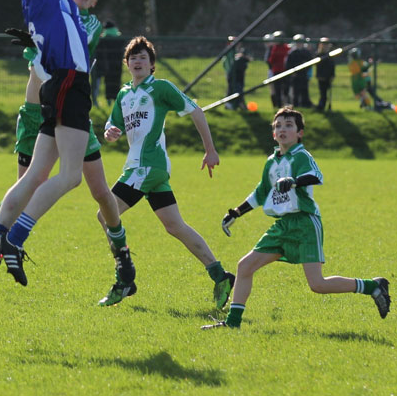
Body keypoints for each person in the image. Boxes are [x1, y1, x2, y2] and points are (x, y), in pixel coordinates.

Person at [0, 0, 135, 299]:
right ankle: (14, 239)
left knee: (40, 178)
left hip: (60, 89)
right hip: (68, 86)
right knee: (69, 177)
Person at [201, 106, 391, 330]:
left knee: (317, 284)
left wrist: (293, 181)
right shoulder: (271, 161)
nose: (283, 129)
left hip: (305, 223)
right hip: (282, 226)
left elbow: (316, 176)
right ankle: (232, 324)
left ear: (299, 133)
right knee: (245, 266)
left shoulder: (301, 155)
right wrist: (236, 212)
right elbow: (261, 192)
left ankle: (373, 286)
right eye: (278, 126)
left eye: (289, 125)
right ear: (273, 133)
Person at [99, 35, 235, 309]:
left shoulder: (160, 88)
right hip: (145, 169)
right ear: (127, 64)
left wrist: (210, 150)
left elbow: (196, 111)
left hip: (147, 165)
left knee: (105, 214)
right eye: (133, 58)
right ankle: (220, 275)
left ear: (152, 66)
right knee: (175, 226)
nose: (138, 61)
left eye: (143, 58)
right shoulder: (124, 94)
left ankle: (125, 277)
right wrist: (109, 132)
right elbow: (111, 127)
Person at [91, 20, 125, 107]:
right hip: (117, 65)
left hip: (106, 65)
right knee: (116, 82)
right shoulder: (120, 39)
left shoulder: (103, 40)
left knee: (107, 83)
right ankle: (115, 101)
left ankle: (108, 101)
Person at [285, 34, 313, 107]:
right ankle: (295, 105)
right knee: (295, 91)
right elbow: (288, 64)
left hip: (303, 74)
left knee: (304, 90)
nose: (299, 44)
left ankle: (305, 105)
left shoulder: (306, 52)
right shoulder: (292, 53)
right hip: (295, 75)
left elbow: (310, 63)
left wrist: (306, 71)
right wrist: (292, 72)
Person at [222, 36, 250, 110]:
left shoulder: (242, 51)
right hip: (231, 74)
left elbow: (249, 59)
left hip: (239, 75)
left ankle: (238, 106)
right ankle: (233, 105)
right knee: (232, 89)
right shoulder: (229, 52)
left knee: (238, 89)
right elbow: (226, 64)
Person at [267, 31, 290, 107]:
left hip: (278, 71)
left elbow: (271, 60)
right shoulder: (286, 47)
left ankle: (279, 105)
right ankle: (283, 104)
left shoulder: (276, 48)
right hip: (284, 71)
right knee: (284, 90)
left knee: (278, 90)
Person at [315, 37, 335, 111]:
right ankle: (321, 106)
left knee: (327, 92)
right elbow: (318, 67)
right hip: (321, 76)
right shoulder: (319, 54)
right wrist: (319, 75)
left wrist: (332, 75)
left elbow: (332, 65)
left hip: (328, 76)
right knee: (323, 93)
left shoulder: (330, 55)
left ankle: (324, 106)